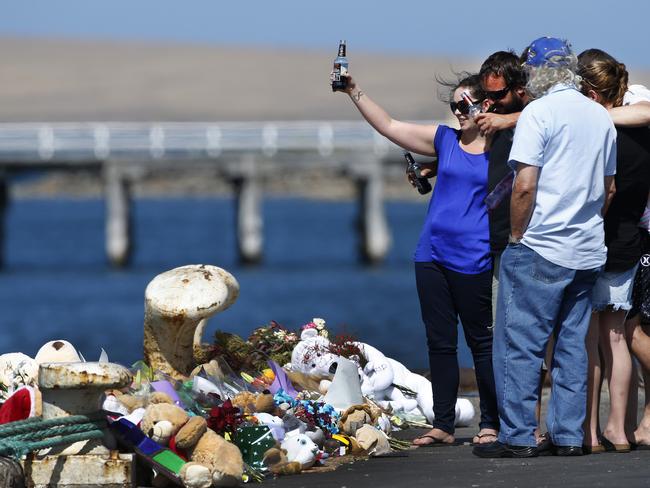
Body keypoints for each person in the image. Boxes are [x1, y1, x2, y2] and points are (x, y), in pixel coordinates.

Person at [332, 70, 499, 446]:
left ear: (486, 105)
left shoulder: (503, 148)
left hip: (474, 259)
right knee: (440, 343)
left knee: (482, 344)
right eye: (453, 105)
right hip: (432, 256)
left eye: (464, 105)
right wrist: (354, 91)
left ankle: (491, 422)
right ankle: (442, 425)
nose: (457, 111)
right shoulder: (445, 140)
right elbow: (389, 126)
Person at [473, 37, 617, 458]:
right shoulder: (600, 116)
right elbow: (609, 189)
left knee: (521, 343)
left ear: (535, 72)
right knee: (572, 344)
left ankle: (517, 435)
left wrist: (518, 236)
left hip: (540, 245)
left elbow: (525, 183)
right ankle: (570, 435)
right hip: (587, 248)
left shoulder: (538, 113)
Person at [578, 49, 650, 453]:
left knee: (590, 341)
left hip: (594, 241)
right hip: (628, 241)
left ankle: (590, 433)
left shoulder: (599, 133)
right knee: (618, 338)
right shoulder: (639, 133)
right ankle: (619, 430)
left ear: (590, 90)